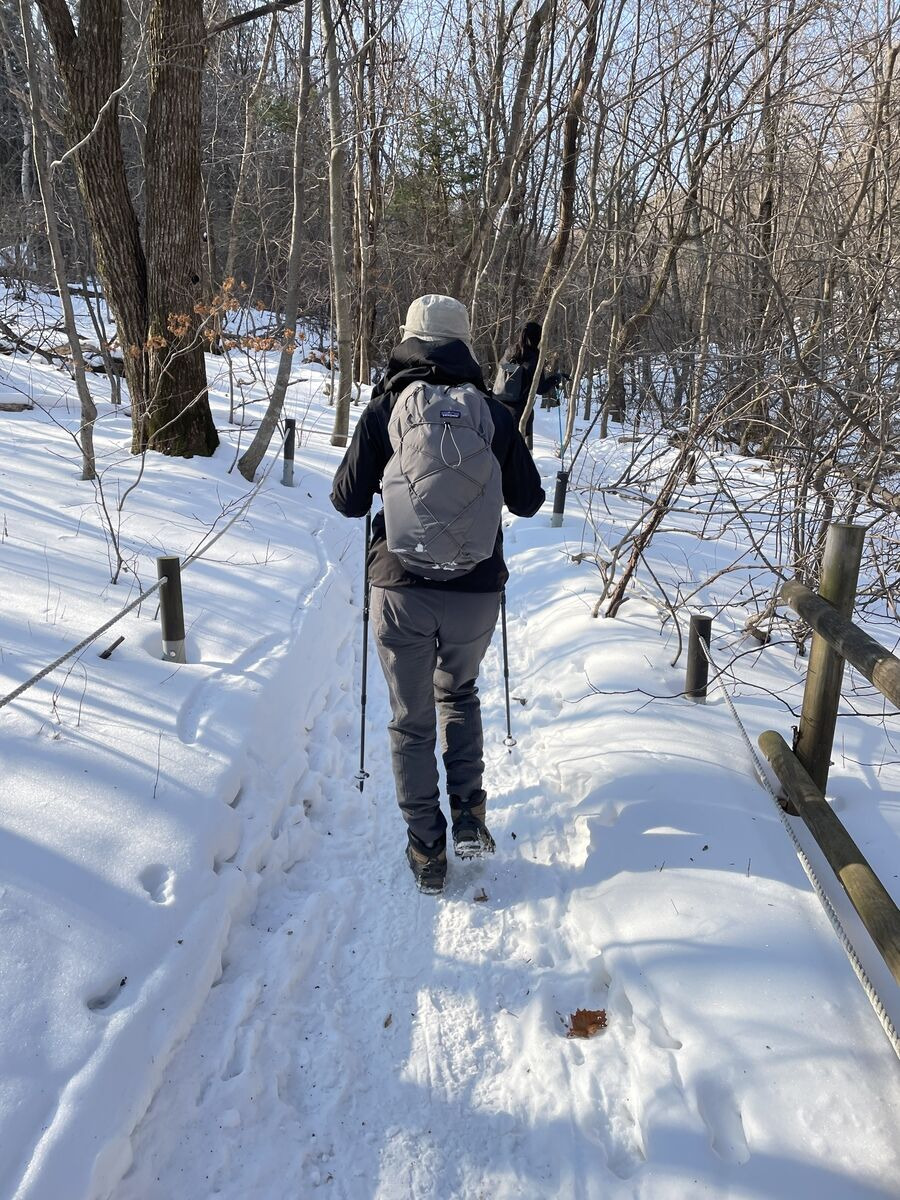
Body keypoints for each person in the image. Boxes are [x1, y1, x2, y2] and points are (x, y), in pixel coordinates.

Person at [331, 294, 545, 894]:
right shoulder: (490, 413)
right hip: (475, 591)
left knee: (411, 719)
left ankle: (426, 849)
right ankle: (469, 814)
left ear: (408, 340)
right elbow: (529, 500)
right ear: (465, 345)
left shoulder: (388, 407)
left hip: (401, 589)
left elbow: (346, 499)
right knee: (459, 693)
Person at [493, 320, 567, 449]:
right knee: (522, 451)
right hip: (521, 412)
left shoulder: (510, 350)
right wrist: (556, 378)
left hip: (498, 408)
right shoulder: (535, 356)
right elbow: (540, 388)